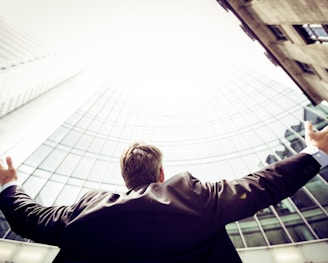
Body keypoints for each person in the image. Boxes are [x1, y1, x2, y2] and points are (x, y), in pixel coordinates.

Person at [0, 121, 327, 263]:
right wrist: (315, 153)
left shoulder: (83, 214)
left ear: (125, 179)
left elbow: (28, 219)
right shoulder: (193, 196)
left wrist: (9, 183)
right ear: (161, 174)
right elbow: (262, 185)